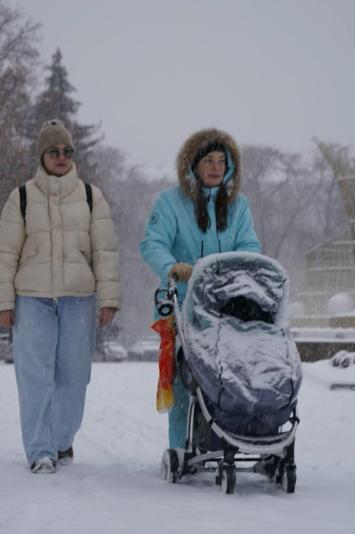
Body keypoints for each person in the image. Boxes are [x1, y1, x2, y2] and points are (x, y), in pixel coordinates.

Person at [0, 119, 121, 474]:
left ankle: (61, 439)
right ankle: (40, 450)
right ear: (42, 156)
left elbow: (105, 252)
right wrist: (3, 303)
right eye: (54, 151)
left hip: (79, 298)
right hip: (31, 299)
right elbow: (4, 253)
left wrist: (109, 299)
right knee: (35, 376)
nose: (61, 157)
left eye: (67, 151)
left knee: (75, 377)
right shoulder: (20, 198)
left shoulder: (92, 197)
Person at [140, 127, 261, 449]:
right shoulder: (169, 202)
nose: (216, 167)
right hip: (183, 303)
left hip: (228, 305)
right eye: (208, 159)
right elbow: (153, 243)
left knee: (231, 375)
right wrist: (171, 268)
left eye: (222, 161)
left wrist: (244, 267)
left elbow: (249, 243)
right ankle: (181, 446)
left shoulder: (238, 206)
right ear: (192, 164)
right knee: (184, 378)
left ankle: (229, 440)